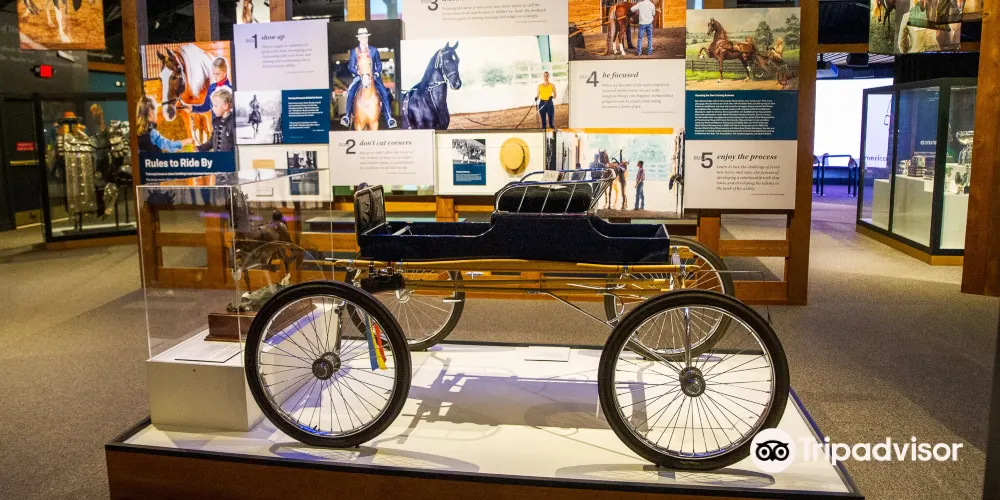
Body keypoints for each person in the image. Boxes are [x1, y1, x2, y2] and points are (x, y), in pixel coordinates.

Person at [340, 27, 397, 129]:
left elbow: (379, 64)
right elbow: (351, 66)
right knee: (351, 92)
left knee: (384, 93)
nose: (364, 39)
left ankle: (389, 118)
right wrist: (358, 73)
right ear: (358, 38)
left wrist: (376, 74)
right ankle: (347, 117)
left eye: (366, 37)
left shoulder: (374, 50)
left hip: (373, 77)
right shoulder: (354, 51)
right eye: (362, 37)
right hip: (360, 77)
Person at [198, 87, 235, 153]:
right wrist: (200, 148)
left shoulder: (233, 123)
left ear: (225, 106)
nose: (212, 108)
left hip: (228, 158)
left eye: (215, 106)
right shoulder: (216, 122)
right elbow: (212, 141)